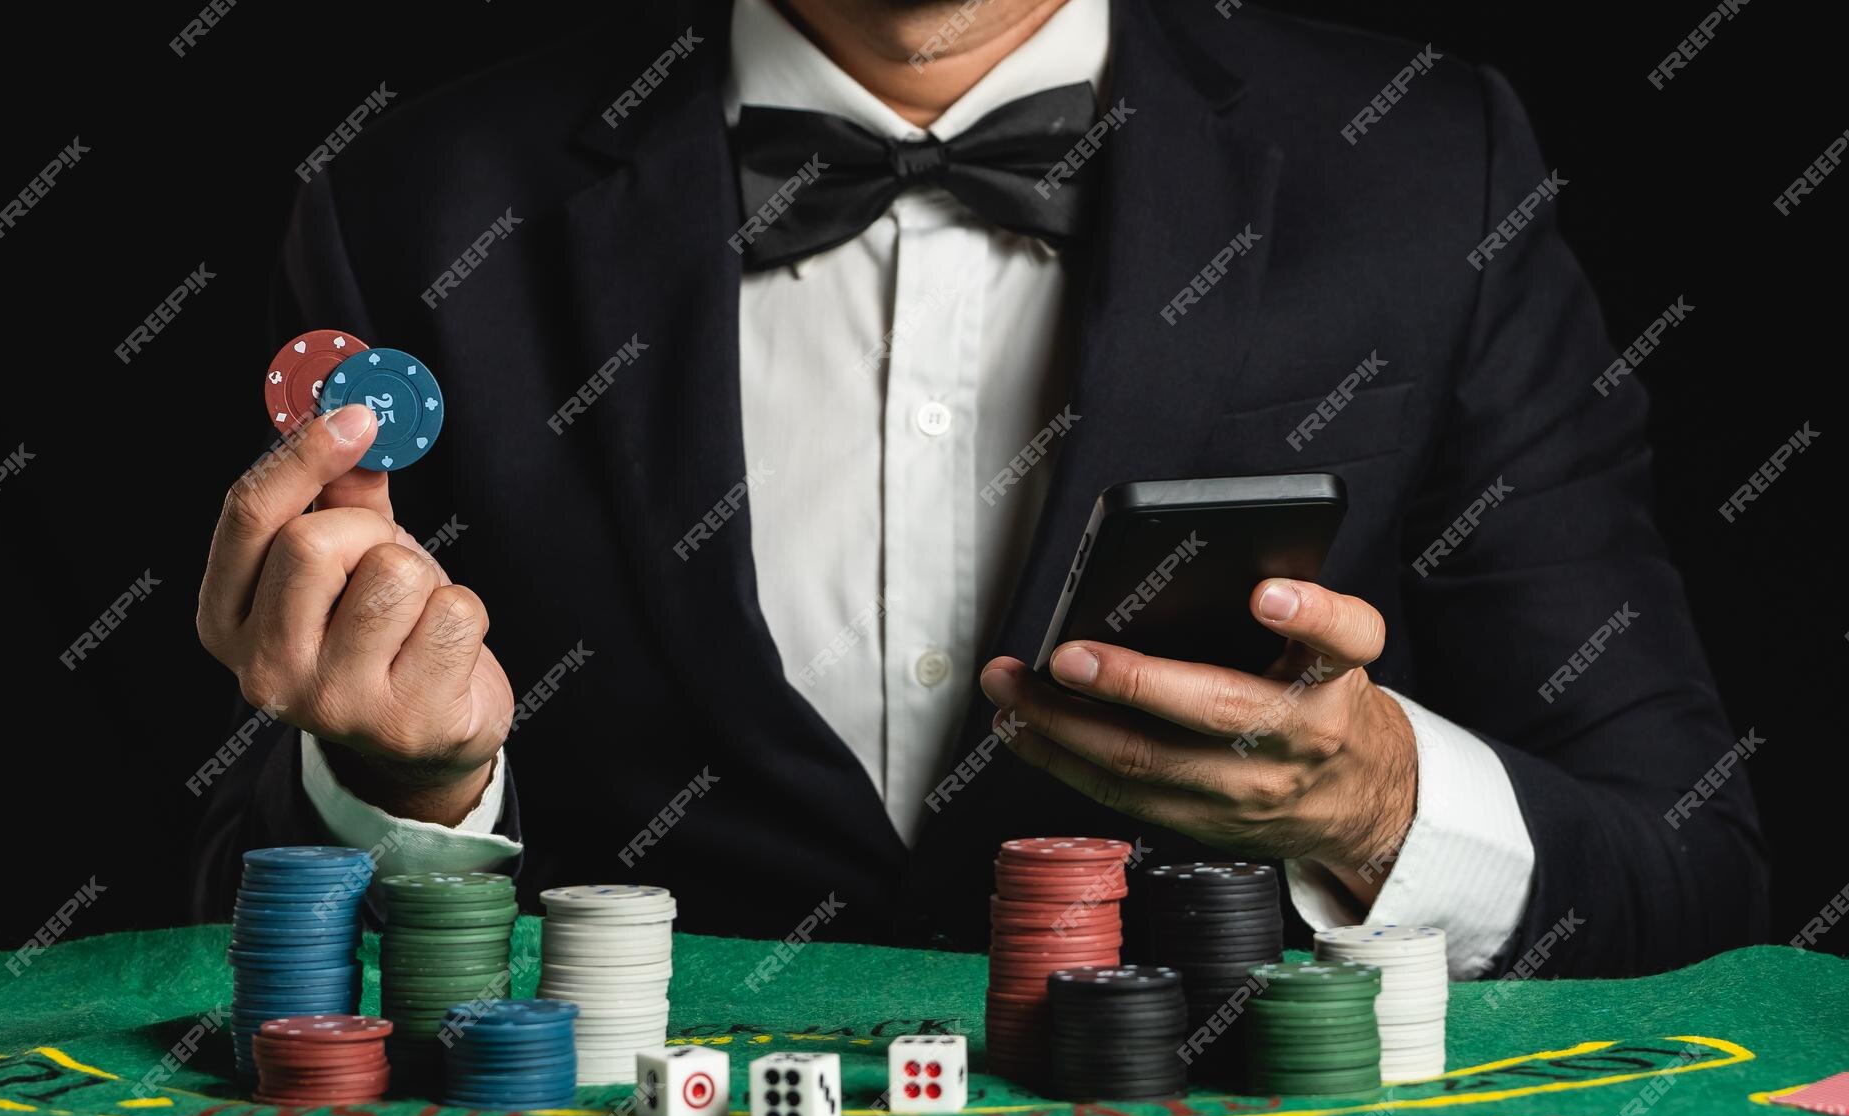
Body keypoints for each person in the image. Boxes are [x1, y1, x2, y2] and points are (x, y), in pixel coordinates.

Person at [192, 0, 1766, 978]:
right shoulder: (421, 201)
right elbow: (218, 896)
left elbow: (1687, 857)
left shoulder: (1429, 163)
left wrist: (1371, 806)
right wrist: (411, 798)